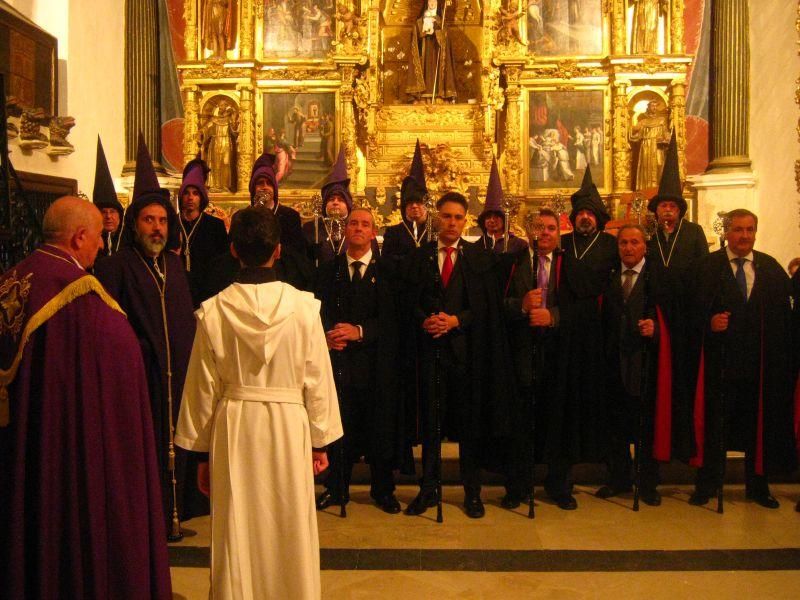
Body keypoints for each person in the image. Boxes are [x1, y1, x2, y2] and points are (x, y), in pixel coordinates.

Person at [0, 196, 172, 599]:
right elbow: (119, 364)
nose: (100, 245)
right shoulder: (78, 296)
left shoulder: (12, 279)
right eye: (97, 237)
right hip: (61, 450)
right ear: (79, 237)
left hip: (19, 441)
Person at [175, 206, 342, 600]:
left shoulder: (215, 311)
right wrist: (320, 441)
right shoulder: (303, 309)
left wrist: (200, 454)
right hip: (288, 424)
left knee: (238, 522)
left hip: (235, 424)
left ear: (233, 250)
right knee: (288, 521)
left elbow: (202, 387)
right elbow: (317, 377)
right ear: (278, 250)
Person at [94, 134, 204, 538]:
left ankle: (177, 513)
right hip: (140, 381)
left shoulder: (174, 267)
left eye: (162, 221)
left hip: (177, 380)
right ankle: (149, 518)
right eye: (148, 220)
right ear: (134, 224)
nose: (157, 228)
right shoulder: (116, 267)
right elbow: (109, 330)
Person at [404, 192, 513, 519]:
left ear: (466, 221)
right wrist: (424, 319)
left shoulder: (478, 258)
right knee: (432, 426)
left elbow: (485, 306)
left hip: (467, 357)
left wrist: (456, 321)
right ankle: (428, 488)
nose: (452, 222)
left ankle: (472, 492)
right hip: (431, 353)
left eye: (458, 217)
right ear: (437, 217)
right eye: (446, 216)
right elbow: (408, 299)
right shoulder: (421, 255)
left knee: (469, 427)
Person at [687, 209, 797, 509]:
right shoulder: (706, 268)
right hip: (718, 365)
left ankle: (758, 487)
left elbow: (784, 319)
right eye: (738, 229)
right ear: (726, 232)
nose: (744, 236)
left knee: (756, 429)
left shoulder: (770, 269)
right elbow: (688, 313)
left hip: (759, 368)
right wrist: (709, 323)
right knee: (715, 428)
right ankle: (706, 484)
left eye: (750, 230)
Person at [314, 207, 406, 514]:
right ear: (345, 229)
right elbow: (317, 311)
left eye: (365, 224)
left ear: (373, 233)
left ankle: (383, 490)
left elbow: (394, 319)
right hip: (340, 365)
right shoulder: (329, 270)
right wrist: (327, 334)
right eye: (353, 223)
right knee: (341, 427)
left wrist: (361, 331)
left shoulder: (388, 272)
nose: (358, 228)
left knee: (380, 429)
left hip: (377, 365)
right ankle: (336, 488)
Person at [596, 224, 689, 507]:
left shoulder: (661, 278)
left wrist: (657, 329)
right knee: (616, 426)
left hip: (647, 364)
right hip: (613, 364)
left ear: (644, 246)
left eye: (634, 242)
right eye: (623, 243)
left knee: (646, 427)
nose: (628, 248)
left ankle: (648, 483)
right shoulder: (608, 276)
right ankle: (619, 478)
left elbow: (680, 320)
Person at [200, 151, 314, 300]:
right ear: (253, 189)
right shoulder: (241, 217)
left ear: (275, 188)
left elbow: (298, 256)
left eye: (268, 183)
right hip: (245, 285)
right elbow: (232, 253)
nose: (264, 187)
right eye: (260, 183)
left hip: (283, 284)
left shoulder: (289, 216)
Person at [646, 131, 709, 280]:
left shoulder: (694, 232)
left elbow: (705, 265)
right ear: (656, 209)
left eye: (672, 206)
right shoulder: (650, 232)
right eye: (663, 205)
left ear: (679, 210)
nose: (668, 209)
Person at [178, 156, 230, 306]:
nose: (190, 197)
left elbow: (222, 264)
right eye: (187, 193)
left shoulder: (215, 226)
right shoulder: (172, 223)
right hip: (178, 291)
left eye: (195, 193)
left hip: (207, 294)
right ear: (181, 196)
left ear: (201, 197)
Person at [561, 167, 617, 284]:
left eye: (590, 213)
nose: (585, 217)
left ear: (597, 218)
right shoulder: (562, 242)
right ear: (574, 218)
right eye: (580, 213)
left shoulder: (611, 243)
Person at [382, 140, 431, 262]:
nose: (414, 206)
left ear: (426, 205)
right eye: (409, 203)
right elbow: (387, 263)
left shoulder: (435, 231)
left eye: (418, 202)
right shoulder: (393, 233)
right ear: (404, 207)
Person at [474, 156, 528, 255]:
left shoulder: (519, 245)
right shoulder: (475, 247)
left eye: (496, 216)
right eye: (488, 217)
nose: (492, 220)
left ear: (504, 219)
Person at [406, 0, 457, 103]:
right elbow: (415, 37)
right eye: (430, 1)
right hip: (424, 53)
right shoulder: (420, 21)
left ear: (437, 3)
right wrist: (423, 31)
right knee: (424, 71)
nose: (432, 3)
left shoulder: (441, 21)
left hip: (437, 51)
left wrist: (438, 33)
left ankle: (439, 95)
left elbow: (445, 38)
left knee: (437, 73)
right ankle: (423, 97)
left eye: (434, 1)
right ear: (427, 3)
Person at [92, 136, 125, 258]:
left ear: (120, 216)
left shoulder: (128, 243)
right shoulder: (89, 245)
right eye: (103, 212)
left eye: (112, 211)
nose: (108, 216)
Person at [630, 100, 669, 191]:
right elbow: (633, 131)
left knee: (659, 165)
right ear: (648, 108)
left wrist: (666, 139)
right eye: (652, 106)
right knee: (646, 167)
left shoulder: (661, 120)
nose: (654, 108)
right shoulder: (643, 122)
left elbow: (666, 133)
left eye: (656, 106)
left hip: (658, 147)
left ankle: (659, 189)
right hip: (646, 146)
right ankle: (645, 189)